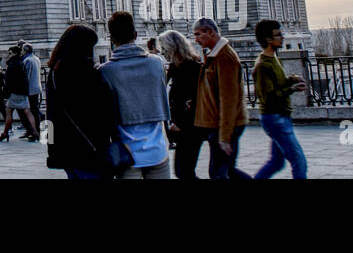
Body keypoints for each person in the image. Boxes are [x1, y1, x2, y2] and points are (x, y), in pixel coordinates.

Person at [99, 12, 170, 179]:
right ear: (135, 35)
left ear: (112, 38)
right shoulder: (156, 63)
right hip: (157, 148)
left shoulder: (106, 71)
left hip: (125, 151)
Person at [44, 24, 118, 179]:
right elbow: (106, 113)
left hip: (65, 149)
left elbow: (49, 115)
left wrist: (50, 148)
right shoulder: (90, 74)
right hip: (91, 148)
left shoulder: (53, 73)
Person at [192, 17, 249, 179]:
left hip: (225, 126)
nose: (195, 39)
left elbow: (228, 99)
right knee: (227, 171)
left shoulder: (224, 57)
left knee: (218, 173)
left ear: (210, 32)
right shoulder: (214, 55)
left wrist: (224, 136)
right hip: (218, 125)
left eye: (198, 34)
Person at [252, 19, 308, 179]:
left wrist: (292, 79)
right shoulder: (262, 65)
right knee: (299, 161)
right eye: (278, 35)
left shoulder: (273, 59)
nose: (282, 37)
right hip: (274, 118)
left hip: (280, 116)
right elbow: (268, 96)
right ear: (268, 39)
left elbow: (277, 84)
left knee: (276, 162)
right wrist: (291, 89)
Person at [158, 29, 205, 179]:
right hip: (180, 129)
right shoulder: (174, 67)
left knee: (184, 172)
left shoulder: (191, 67)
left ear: (173, 47)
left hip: (191, 128)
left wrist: (181, 123)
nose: (162, 52)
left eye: (164, 48)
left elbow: (196, 99)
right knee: (184, 171)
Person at [0, 46, 39, 142]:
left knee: (8, 113)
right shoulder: (22, 62)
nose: (8, 55)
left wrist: (5, 93)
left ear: (15, 53)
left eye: (10, 53)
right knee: (28, 112)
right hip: (23, 92)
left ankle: (5, 133)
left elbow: (8, 81)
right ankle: (35, 132)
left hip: (14, 93)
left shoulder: (12, 65)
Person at [22, 44, 43, 129]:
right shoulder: (36, 59)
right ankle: (36, 128)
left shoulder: (27, 60)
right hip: (37, 87)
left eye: (22, 50)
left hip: (30, 89)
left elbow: (26, 76)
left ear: (25, 51)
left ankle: (34, 129)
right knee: (35, 108)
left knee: (31, 110)